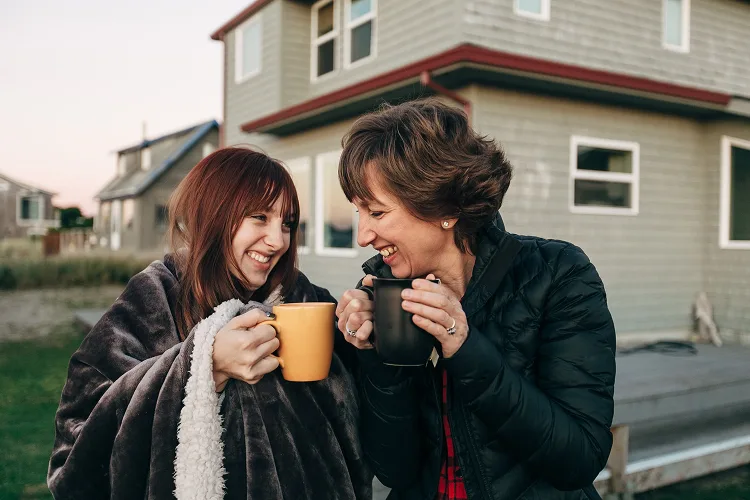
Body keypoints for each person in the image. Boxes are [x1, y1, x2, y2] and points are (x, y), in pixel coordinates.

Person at [48, 147, 371, 500]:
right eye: (260, 217)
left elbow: (368, 428)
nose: (278, 240)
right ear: (213, 216)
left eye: (288, 223)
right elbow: (74, 456)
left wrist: (370, 340)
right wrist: (203, 363)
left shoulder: (306, 300)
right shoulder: (154, 299)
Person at [336, 99, 616, 500]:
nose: (363, 235)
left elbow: (579, 458)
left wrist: (464, 348)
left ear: (444, 208)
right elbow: (395, 469)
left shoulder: (558, 274)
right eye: (358, 213)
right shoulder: (384, 292)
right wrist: (376, 357)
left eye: (377, 213)